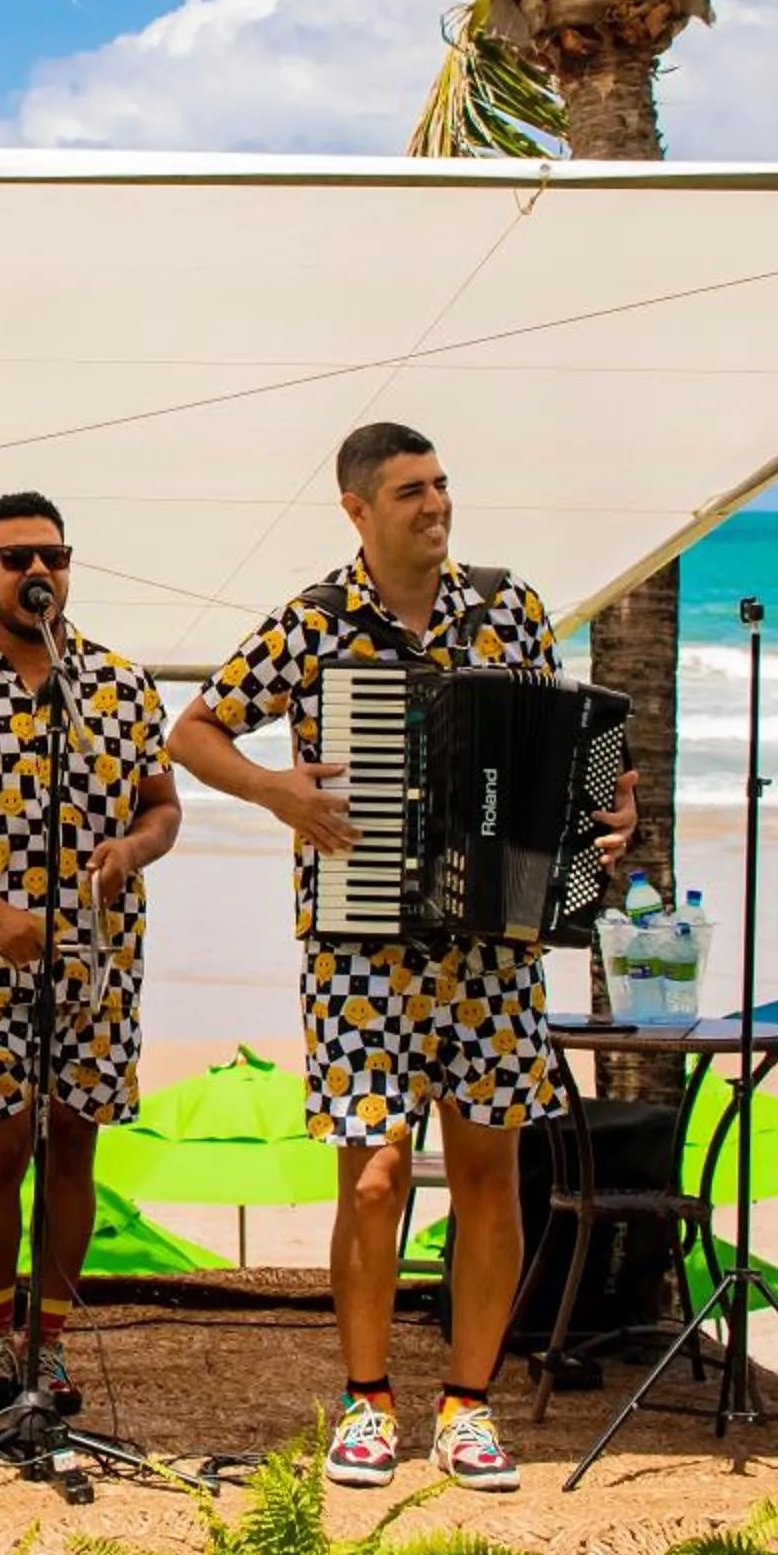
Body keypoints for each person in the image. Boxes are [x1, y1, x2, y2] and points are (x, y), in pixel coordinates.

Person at [166, 423, 636, 1494]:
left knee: (490, 1177)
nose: (436, 504)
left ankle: (469, 1407)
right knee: (374, 1180)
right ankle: (369, 1401)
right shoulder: (317, 621)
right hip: (360, 947)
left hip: (494, 945)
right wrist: (276, 789)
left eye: (441, 484)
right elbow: (193, 732)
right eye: (412, 490)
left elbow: (569, 750)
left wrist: (607, 813)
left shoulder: (507, 605)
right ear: (359, 509)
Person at [0, 491, 180, 1416]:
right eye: (16, 559)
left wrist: (133, 848)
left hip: (100, 957)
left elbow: (163, 806)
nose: (37, 571)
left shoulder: (123, 687)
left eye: (53, 555)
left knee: (75, 1145)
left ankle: (48, 1345)